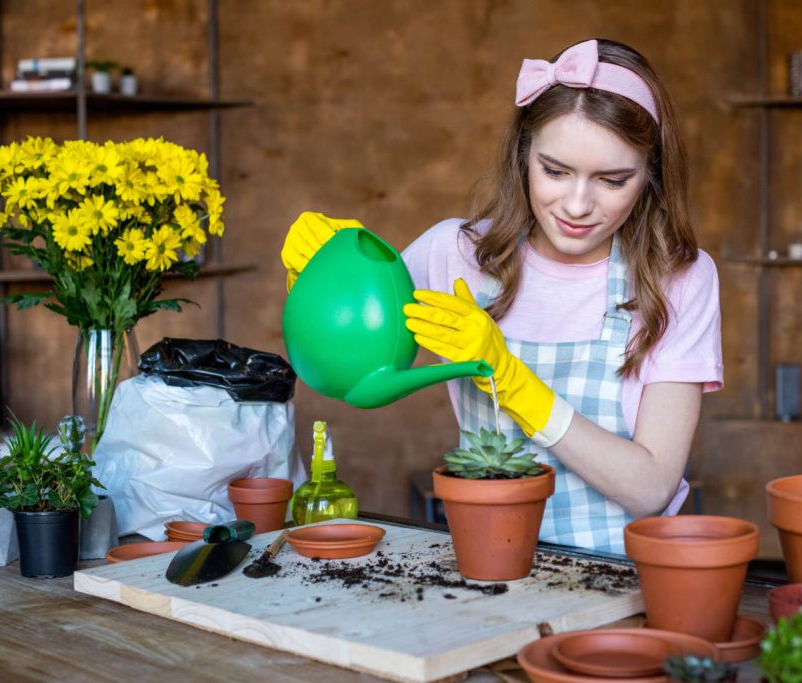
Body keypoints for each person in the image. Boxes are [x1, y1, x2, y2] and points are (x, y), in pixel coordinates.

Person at [280, 38, 722, 555]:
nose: (577, 205)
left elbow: (650, 490)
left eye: (612, 179)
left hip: (624, 577)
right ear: (523, 156)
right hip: (487, 560)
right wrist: (321, 277)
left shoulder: (679, 279)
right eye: (555, 171)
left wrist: (513, 381)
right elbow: (346, 378)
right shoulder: (455, 255)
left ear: (650, 176)